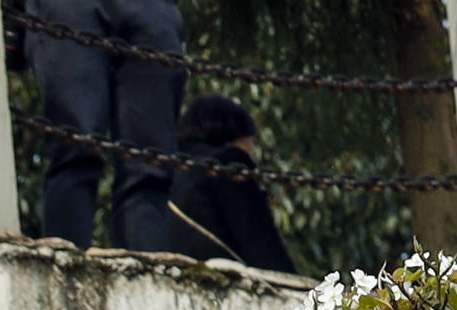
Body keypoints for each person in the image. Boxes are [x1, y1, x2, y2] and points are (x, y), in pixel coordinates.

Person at [23, 0, 185, 255]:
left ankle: (148, 278)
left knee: (150, 167)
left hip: (153, 11)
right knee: (75, 152)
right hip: (68, 9)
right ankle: (66, 275)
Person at [167, 92, 299, 275]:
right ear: (235, 134)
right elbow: (261, 244)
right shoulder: (230, 162)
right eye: (251, 141)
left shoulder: (167, 167)